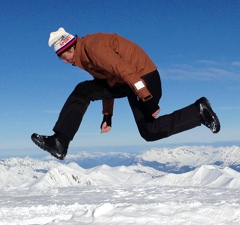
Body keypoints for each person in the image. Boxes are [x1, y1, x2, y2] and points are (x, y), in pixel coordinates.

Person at [31, 27, 220, 160]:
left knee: (148, 130)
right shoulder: (85, 57)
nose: (65, 62)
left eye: (64, 58)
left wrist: (147, 97)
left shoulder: (93, 48)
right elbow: (106, 82)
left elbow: (124, 69)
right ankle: (60, 142)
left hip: (143, 78)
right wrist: (108, 115)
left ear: (70, 48)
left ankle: (199, 112)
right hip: (129, 83)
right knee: (85, 91)